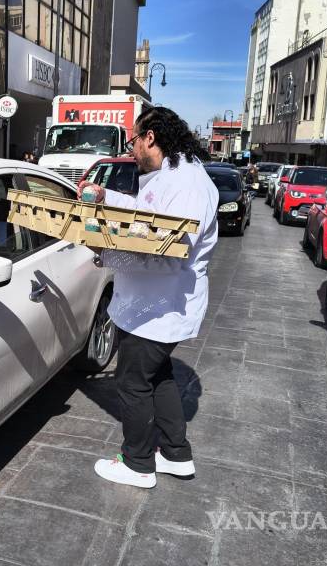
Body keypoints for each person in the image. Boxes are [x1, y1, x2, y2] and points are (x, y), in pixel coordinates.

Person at [78, 107, 219, 489]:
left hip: (160, 307)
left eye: (133, 141)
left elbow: (168, 256)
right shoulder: (167, 175)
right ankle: (175, 454)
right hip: (149, 303)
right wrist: (106, 195)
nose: (131, 149)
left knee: (132, 381)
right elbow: (146, 215)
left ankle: (137, 463)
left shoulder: (187, 185)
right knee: (158, 376)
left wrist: (104, 252)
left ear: (150, 138)